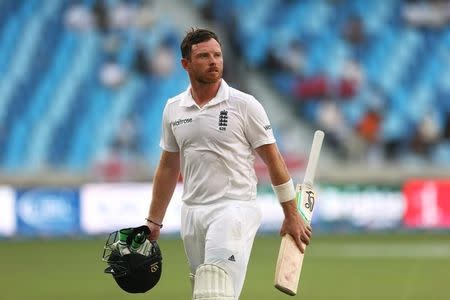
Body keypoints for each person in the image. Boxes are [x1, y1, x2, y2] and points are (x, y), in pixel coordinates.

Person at [145, 28, 312, 300]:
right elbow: (167, 167)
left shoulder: (245, 105)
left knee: (213, 292)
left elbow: (274, 160)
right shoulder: (173, 108)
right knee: (207, 293)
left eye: (218, 55)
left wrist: (291, 213)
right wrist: (154, 221)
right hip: (192, 212)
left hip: (233, 208)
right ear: (185, 64)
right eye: (203, 56)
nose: (213, 61)